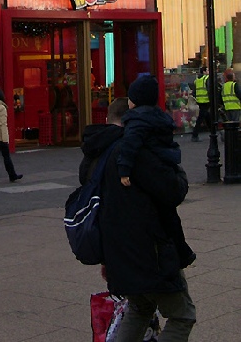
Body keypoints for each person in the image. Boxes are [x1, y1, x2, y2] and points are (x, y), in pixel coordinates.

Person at [84, 96, 197, 341]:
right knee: (182, 315)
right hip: (150, 251)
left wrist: (106, 257)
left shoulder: (96, 155)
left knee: (140, 307)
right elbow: (172, 190)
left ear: (107, 119)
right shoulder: (135, 152)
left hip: (117, 253)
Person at [117, 74, 195, 268]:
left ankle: (175, 255)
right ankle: (183, 251)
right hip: (166, 160)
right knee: (171, 219)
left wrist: (124, 169)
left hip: (153, 169)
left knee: (160, 219)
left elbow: (130, 145)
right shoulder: (159, 116)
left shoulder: (135, 121)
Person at [190, 66, 212, 142]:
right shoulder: (207, 79)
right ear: (204, 72)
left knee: (207, 116)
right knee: (201, 118)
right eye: (208, 70)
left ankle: (213, 131)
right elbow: (209, 90)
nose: (209, 71)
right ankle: (194, 135)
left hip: (200, 101)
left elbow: (194, 92)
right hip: (206, 100)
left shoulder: (197, 80)